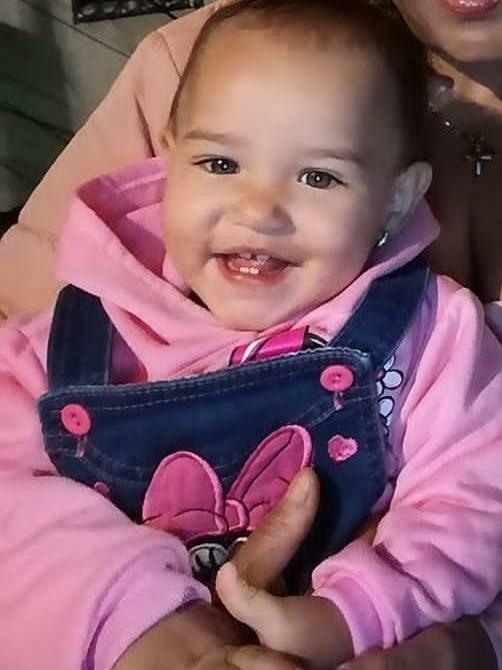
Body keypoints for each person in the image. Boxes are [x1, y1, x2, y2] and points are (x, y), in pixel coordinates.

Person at [0, 1, 501, 669]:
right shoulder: (60, 345)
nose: (258, 210)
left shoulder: (432, 336)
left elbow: (474, 497)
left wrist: (356, 615)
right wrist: (145, 626)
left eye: (318, 177)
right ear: (167, 161)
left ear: (397, 199)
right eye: (219, 164)